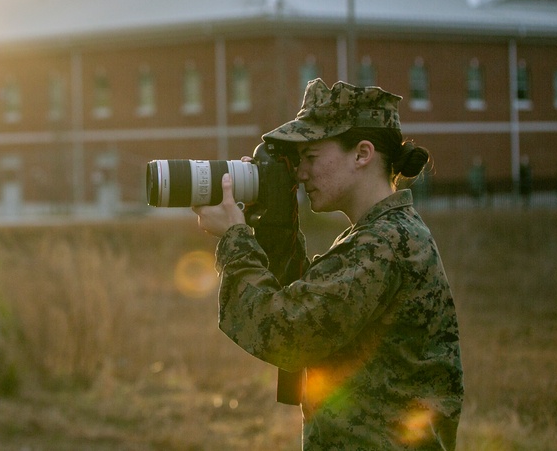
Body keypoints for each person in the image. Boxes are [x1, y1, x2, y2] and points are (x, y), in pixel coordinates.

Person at [194, 79, 464, 450]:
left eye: (311, 157)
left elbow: (286, 330)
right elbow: (305, 298)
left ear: (362, 154)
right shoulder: (380, 235)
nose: (301, 174)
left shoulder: (384, 244)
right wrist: (275, 219)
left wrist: (234, 239)